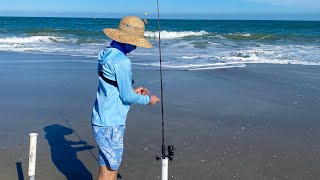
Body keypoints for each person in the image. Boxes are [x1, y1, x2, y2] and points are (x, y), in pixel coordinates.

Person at [91, 16, 160, 180]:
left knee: (105, 168)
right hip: (112, 123)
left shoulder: (105, 54)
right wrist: (148, 100)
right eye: (134, 42)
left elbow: (111, 86)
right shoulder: (122, 61)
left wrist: (134, 91)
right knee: (111, 172)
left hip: (100, 117)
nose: (135, 46)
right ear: (124, 40)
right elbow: (125, 96)